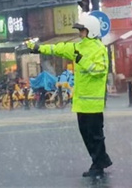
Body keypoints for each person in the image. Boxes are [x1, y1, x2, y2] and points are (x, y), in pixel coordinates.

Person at [27, 14, 111, 178]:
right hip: (81, 102)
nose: (80, 33)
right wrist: (38, 48)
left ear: (90, 31)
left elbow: (100, 71)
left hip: (93, 103)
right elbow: (58, 48)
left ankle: (99, 164)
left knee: (95, 135)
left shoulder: (99, 49)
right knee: (86, 134)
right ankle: (100, 160)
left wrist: (82, 60)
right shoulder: (77, 47)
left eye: (82, 30)